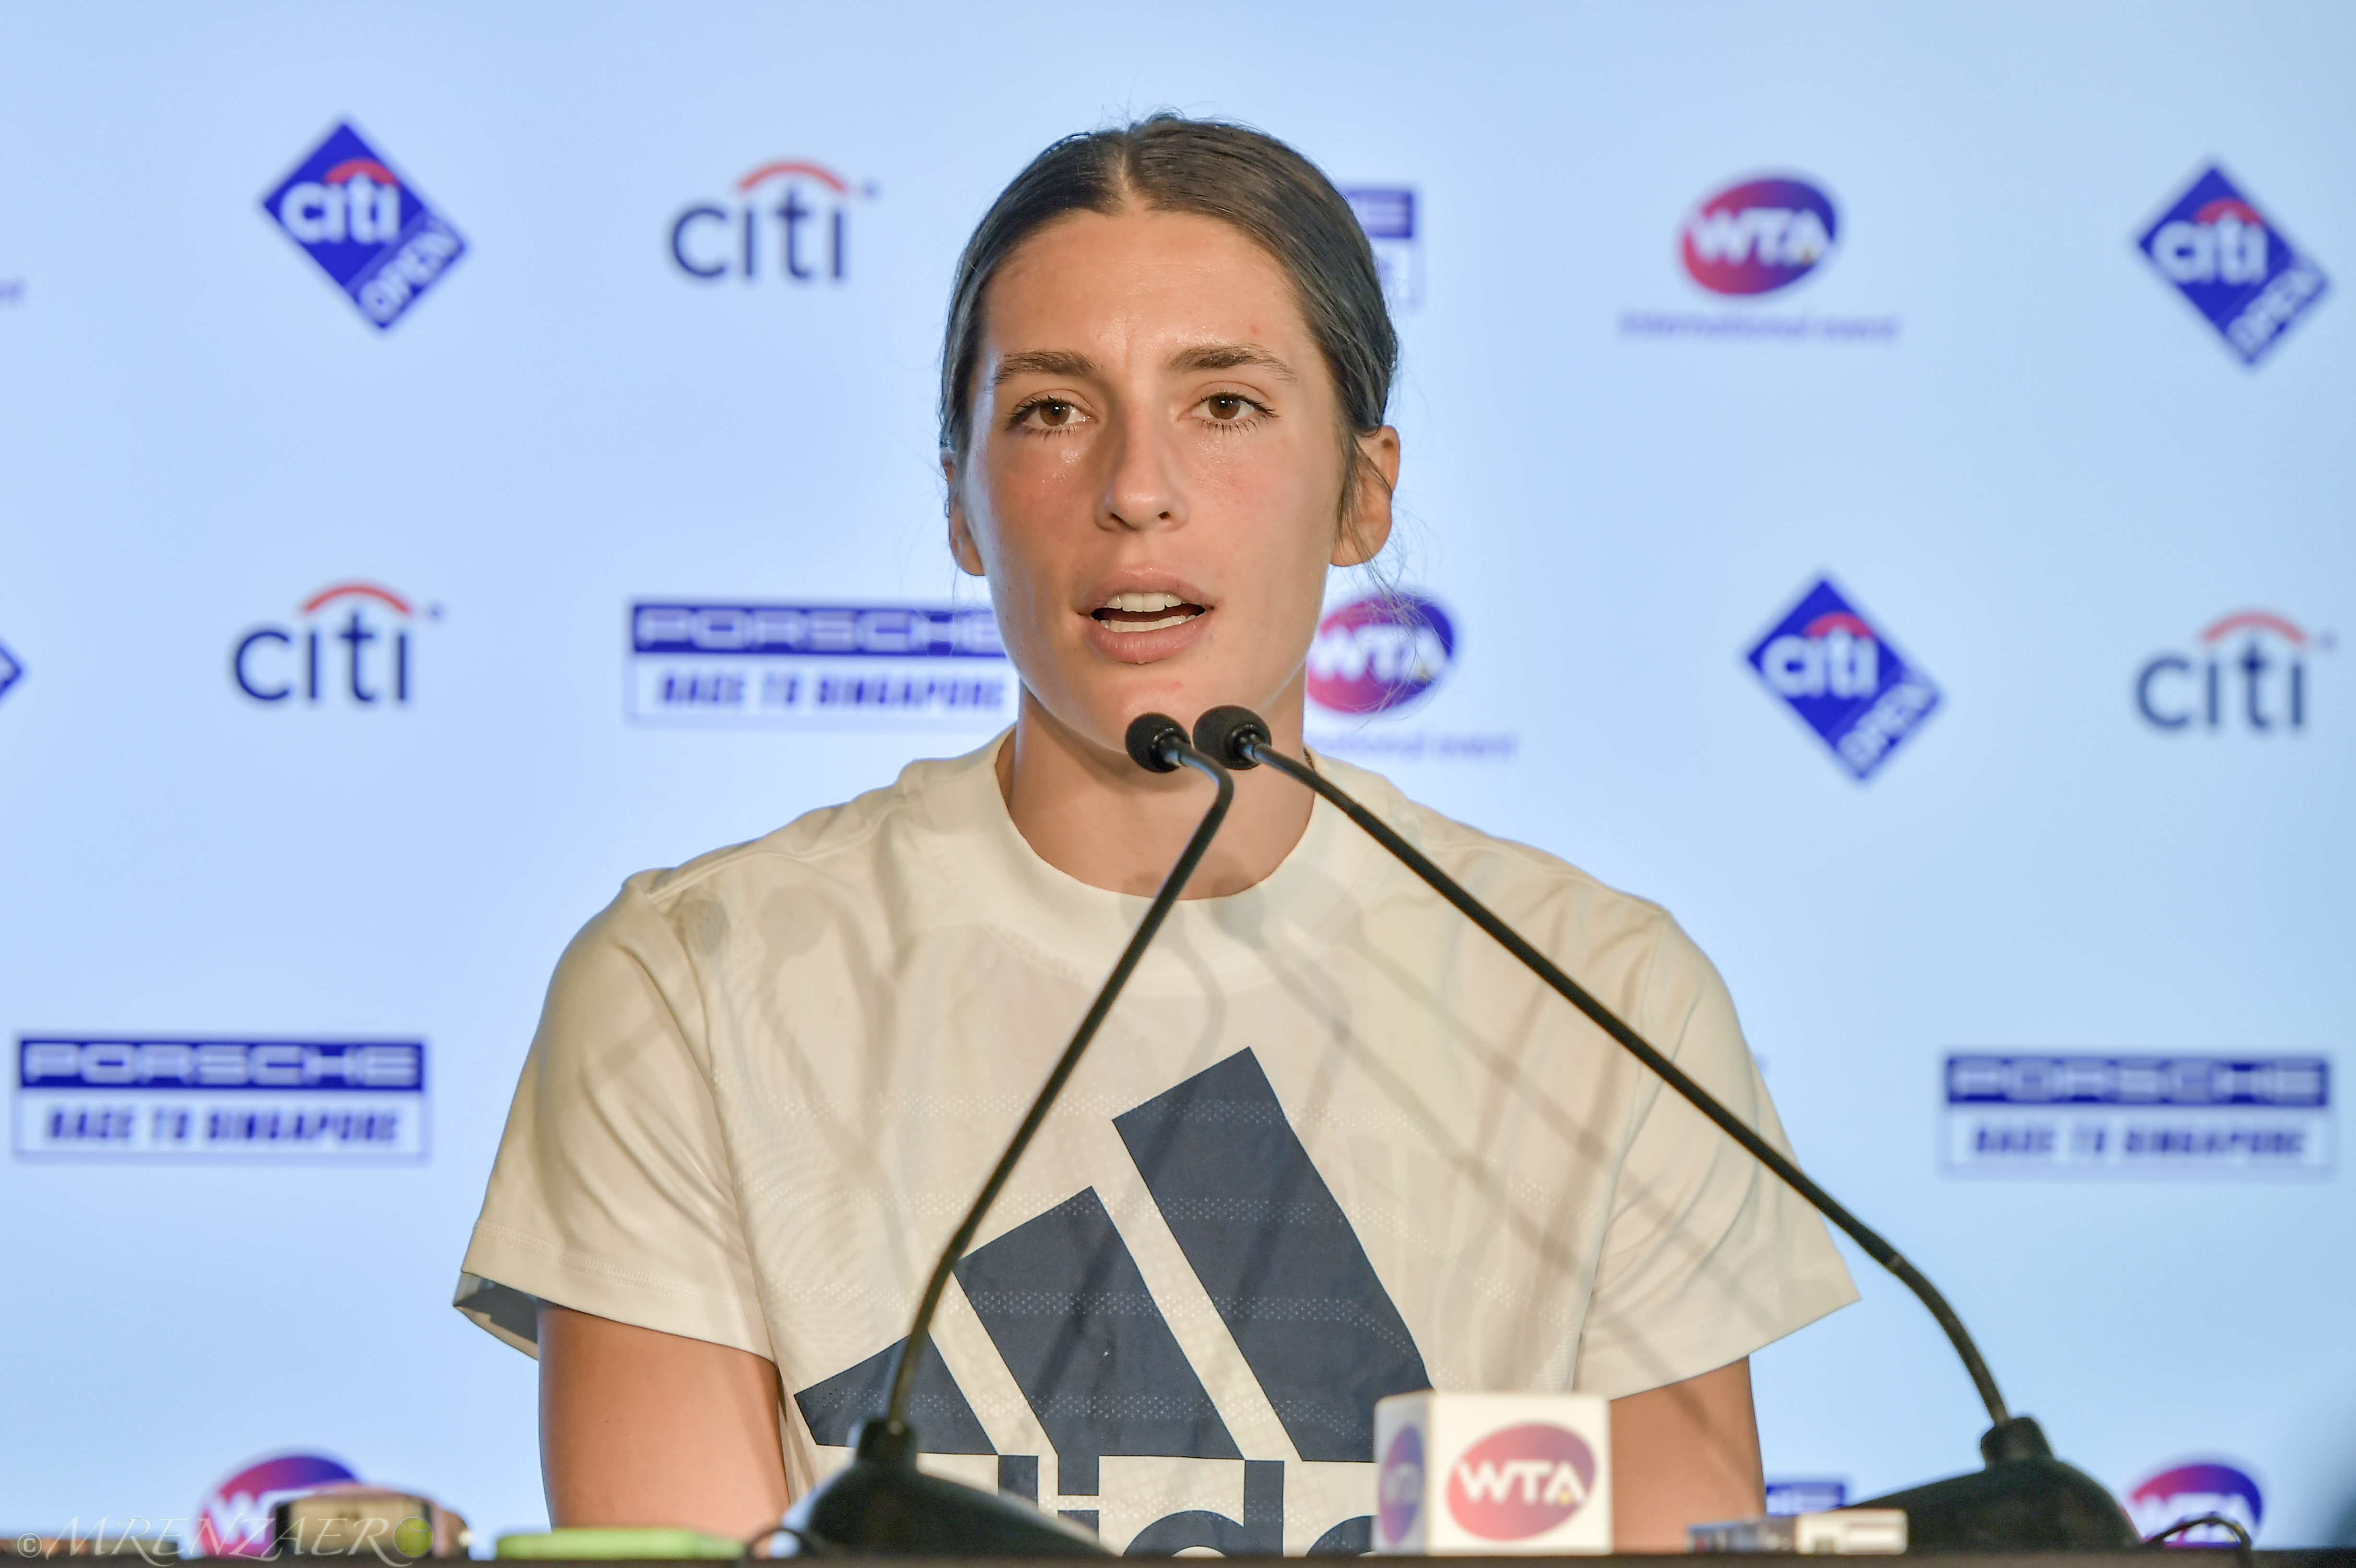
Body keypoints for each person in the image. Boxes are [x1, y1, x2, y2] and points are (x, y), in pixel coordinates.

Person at [454, 114, 1857, 1555]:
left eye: (1227, 404)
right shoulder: (689, 983)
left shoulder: (1604, 999)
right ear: (959, 503)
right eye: (1052, 410)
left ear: (1363, 493)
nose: (1136, 488)